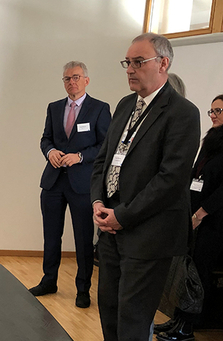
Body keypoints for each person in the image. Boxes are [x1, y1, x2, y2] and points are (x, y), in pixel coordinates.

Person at [90, 33, 201, 341]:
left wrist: (122, 215)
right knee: (109, 310)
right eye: (128, 62)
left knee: (133, 318)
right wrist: (98, 203)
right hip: (111, 229)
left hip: (149, 234)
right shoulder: (125, 105)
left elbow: (170, 179)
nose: (130, 68)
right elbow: (103, 160)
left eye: (139, 62)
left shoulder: (182, 113)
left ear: (163, 63)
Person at [32, 61, 111, 308]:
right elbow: (45, 139)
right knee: (51, 235)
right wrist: (50, 151)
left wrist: (80, 157)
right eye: (66, 78)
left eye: (76, 77)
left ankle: (83, 288)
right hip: (54, 181)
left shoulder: (99, 108)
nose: (71, 82)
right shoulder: (54, 108)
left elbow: (104, 146)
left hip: (82, 184)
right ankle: (49, 280)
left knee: (83, 238)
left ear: (86, 80)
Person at [154, 94, 223, 341]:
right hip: (193, 216)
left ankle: (188, 327)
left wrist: (202, 213)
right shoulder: (210, 140)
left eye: (218, 111)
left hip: (213, 222)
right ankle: (179, 318)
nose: (213, 115)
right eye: (211, 111)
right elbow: (195, 172)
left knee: (199, 273)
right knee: (185, 269)